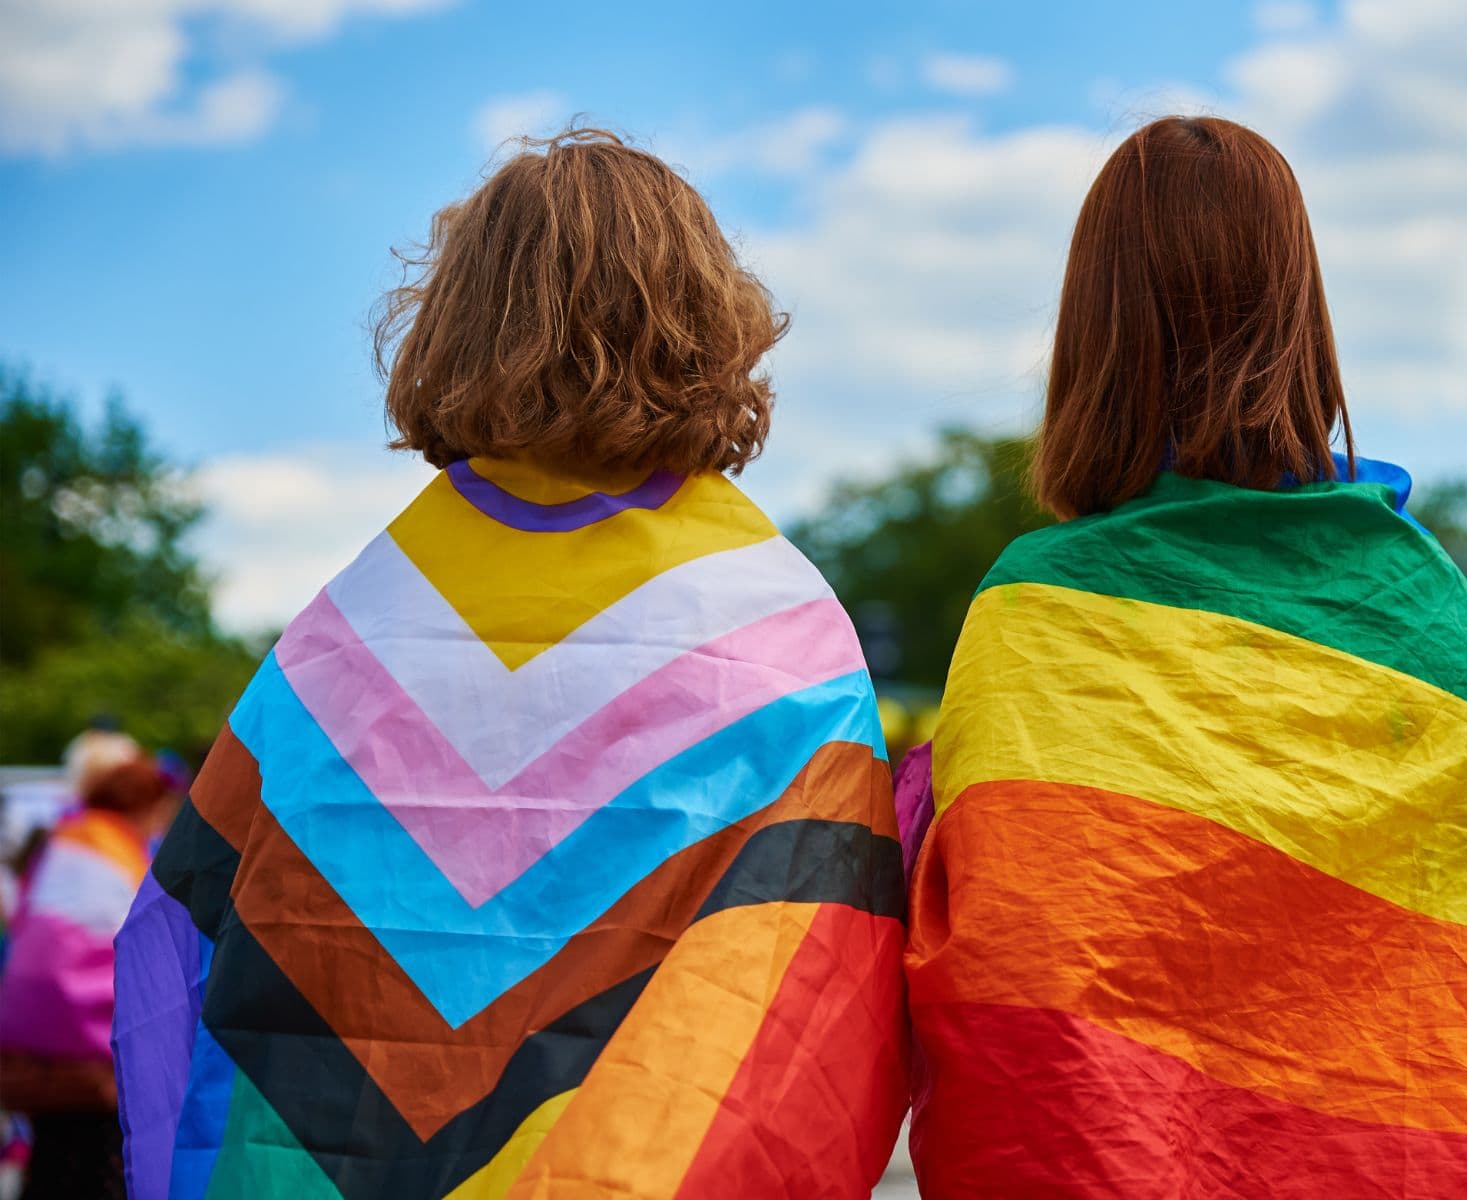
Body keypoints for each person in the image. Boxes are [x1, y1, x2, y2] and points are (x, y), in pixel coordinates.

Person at [112, 129, 907, 1200]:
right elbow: (817, 990)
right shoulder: (779, 628)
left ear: (463, 320)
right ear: (706, 321)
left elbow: (187, 935)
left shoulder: (345, 632)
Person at [902, 116, 1467, 1197]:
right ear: (1302, 311)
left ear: (1094, 329)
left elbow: (1012, 947)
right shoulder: (1418, 603)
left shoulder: (1038, 609)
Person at [0, 757, 177, 1200]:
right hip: (98, 1046)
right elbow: (145, 939)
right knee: (106, 1162)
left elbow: (21, 919)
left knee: (51, 1159)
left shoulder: (63, 839)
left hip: (33, 1043)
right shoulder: (119, 847)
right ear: (147, 804)